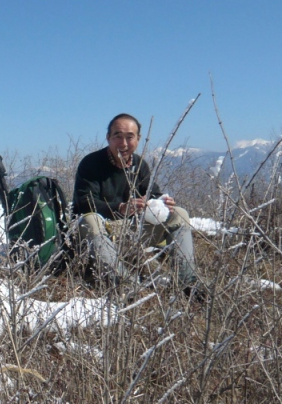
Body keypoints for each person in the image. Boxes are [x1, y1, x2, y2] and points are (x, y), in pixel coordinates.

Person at [72, 113, 205, 298]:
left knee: (180, 213)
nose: (123, 143)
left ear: (138, 139)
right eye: (117, 136)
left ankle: (186, 283)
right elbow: (83, 202)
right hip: (99, 233)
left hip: (129, 232)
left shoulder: (139, 165)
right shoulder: (91, 164)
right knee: (90, 220)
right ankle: (126, 286)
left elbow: (152, 194)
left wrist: (163, 203)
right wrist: (120, 207)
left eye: (129, 137)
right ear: (108, 138)